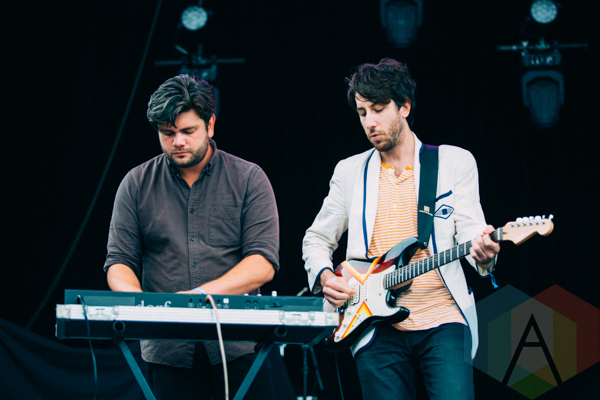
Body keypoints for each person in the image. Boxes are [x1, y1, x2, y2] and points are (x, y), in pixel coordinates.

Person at [302, 58, 500, 400]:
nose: (370, 122)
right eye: (362, 113)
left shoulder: (453, 162)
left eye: (378, 110)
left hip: (443, 317)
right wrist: (325, 276)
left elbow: (472, 232)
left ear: (404, 107)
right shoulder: (349, 172)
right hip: (373, 325)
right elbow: (317, 239)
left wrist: (484, 254)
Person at [104, 74, 280, 400]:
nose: (178, 142)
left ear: (210, 125)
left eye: (188, 131)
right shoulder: (136, 183)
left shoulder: (249, 178)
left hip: (239, 345)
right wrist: (142, 306)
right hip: (166, 350)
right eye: (167, 133)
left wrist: (199, 296)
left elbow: (262, 262)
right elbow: (118, 262)